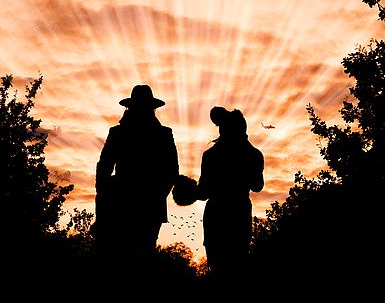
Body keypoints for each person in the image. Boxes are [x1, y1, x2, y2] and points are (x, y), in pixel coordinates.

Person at [95, 85, 178, 268]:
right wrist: (157, 195)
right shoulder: (163, 134)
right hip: (142, 204)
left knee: (123, 257)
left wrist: (104, 197)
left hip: (124, 202)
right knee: (142, 257)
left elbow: (104, 168)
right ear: (153, 108)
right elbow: (172, 171)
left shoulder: (118, 132)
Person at [197, 107, 264, 284]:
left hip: (216, 214)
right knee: (238, 263)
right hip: (239, 211)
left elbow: (203, 192)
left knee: (217, 266)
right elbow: (258, 186)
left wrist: (189, 191)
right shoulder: (254, 155)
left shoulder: (210, 156)